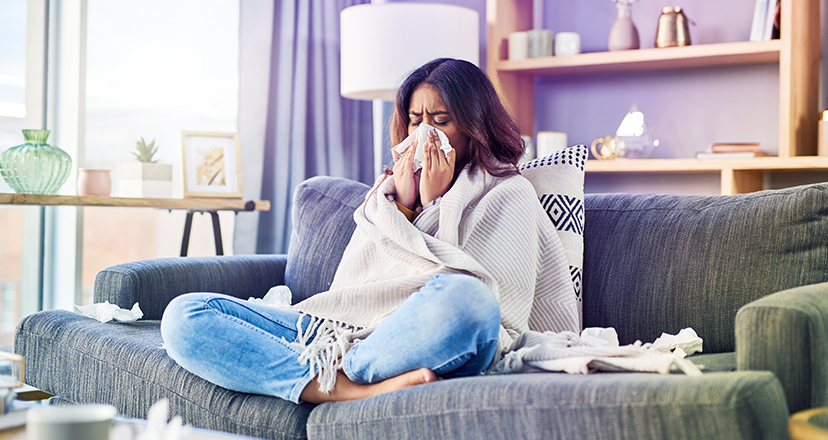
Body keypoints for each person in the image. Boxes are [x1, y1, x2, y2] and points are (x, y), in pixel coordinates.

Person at [160, 58, 579, 404]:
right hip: (337, 329)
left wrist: (437, 205)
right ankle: (338, 388)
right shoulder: (387, 196)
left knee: (469, 300)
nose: (424, 135)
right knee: (186, 314)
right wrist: (404, 206)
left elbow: (499, 311)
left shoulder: (509, 192)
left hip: (418, 335)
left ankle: (340, 373)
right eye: (415, 121)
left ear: (474, 127)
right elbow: (354, 288)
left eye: (441, 121)